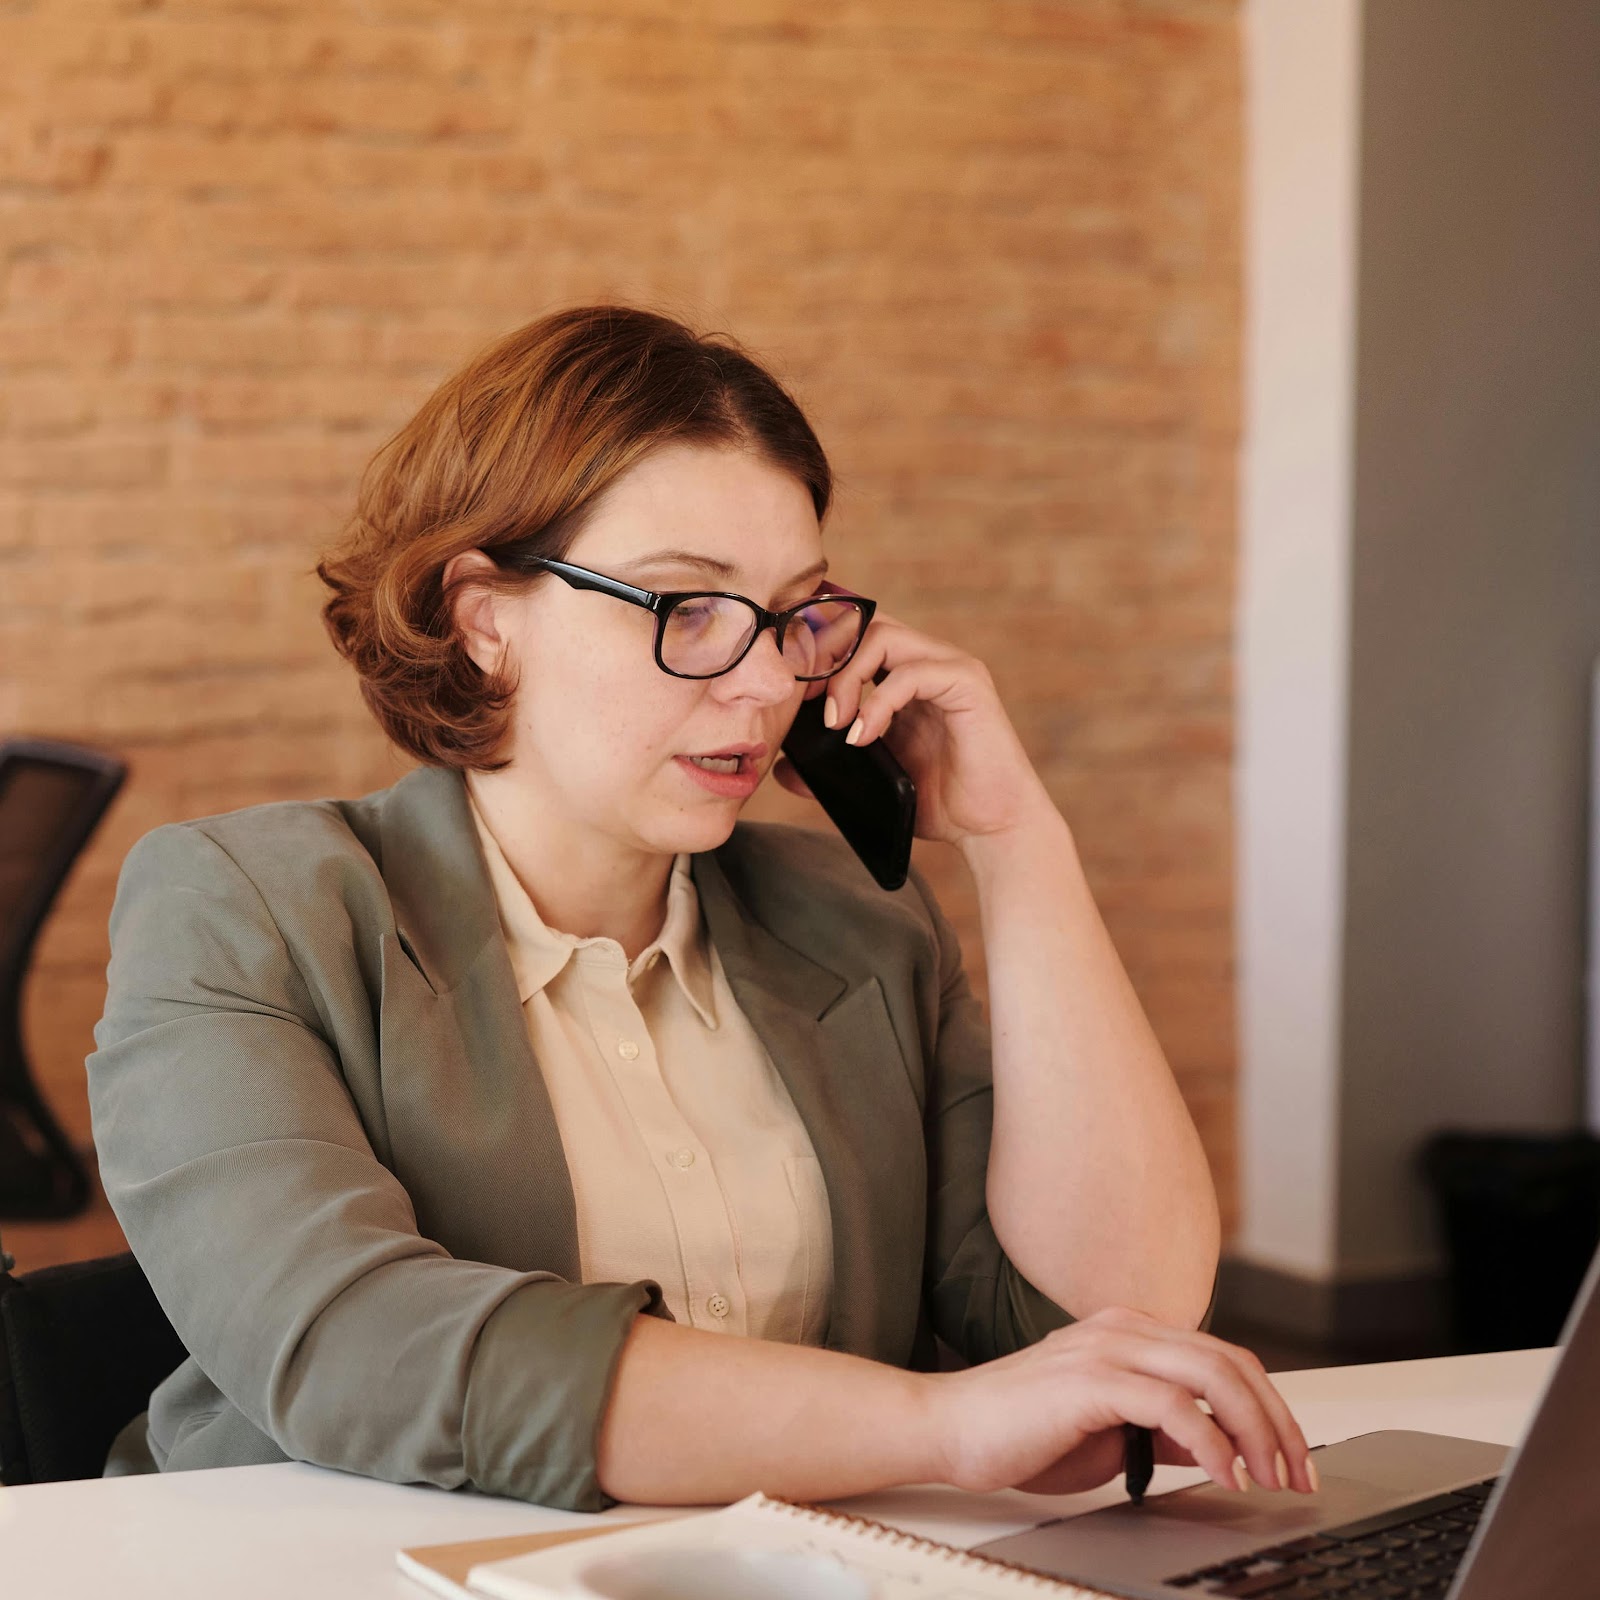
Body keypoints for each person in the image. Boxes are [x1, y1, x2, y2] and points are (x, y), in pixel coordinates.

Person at [88, 305, 1316, 1511]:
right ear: (484, 620)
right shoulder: (243, 905)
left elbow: (1118, 1319)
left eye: (795, 615)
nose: (769, 676)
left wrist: (1015, 841)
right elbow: (349, 1341)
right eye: (689, 607)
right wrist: (937, 1424)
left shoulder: (853, 920)